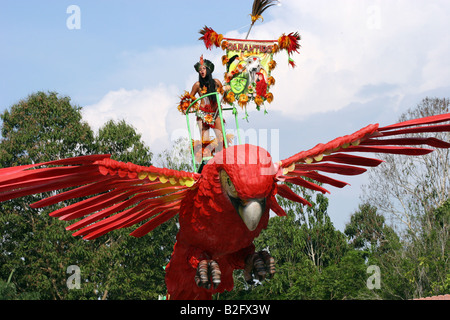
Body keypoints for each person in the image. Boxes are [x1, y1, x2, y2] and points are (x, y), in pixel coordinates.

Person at [190, 55, 228, 155]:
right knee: (205, 141)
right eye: (199, 69)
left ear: (208, 69)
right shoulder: (197, 85)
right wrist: (188, 106)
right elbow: (190, 99)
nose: (201, 71)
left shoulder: (216, 82)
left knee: (221, 137)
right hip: (203, 114)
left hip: (215, 112)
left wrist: (227, 91)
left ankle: (222, 156)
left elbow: (226, 97)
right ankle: (207, 159)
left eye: (203, 68)